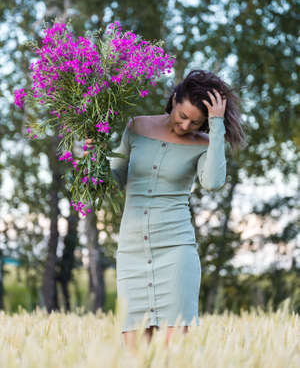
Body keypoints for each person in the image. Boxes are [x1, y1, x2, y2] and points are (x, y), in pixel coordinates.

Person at [85, 69, 245, 351]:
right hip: (132, 251)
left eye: (196, 123)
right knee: (134, 354)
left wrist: (217, 126)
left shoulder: (204, 144)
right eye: (182, 116)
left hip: (175, 250)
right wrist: (94, 158)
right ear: (173, 100)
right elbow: (116, 179)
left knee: (174, 354)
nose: (185, 126)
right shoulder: (136, 127)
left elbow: (213, 182)